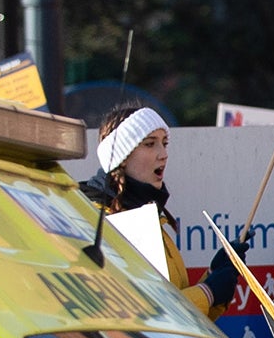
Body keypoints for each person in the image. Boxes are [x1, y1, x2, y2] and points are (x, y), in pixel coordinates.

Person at [80, 106, 242, 320]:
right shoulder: (99, 222)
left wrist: (214, 277)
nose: (163, 154)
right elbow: (142, 320)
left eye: (164, 143)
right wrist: (207, 293)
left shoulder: (151, 217)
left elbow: (178, 326)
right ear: (122, 156)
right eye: (150, 144)